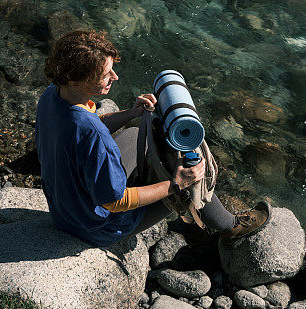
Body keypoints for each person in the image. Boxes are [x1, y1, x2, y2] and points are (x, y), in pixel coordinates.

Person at [35, 28, 270, 247]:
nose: (115, 77)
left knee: (135, 133)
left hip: (63, 211)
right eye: (106, 74)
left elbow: (88, 128)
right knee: (186, 176)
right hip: (95, 227)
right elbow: (115, 203)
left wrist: (132, 113)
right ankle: (231, 228)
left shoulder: (53, 95)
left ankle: (150, 179)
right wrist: (175, 184)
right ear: (77, 81)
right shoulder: (93, 134)